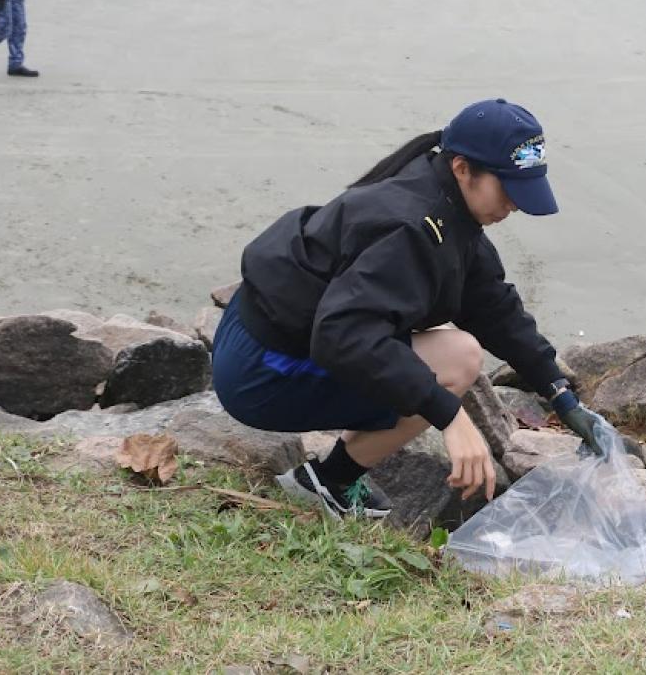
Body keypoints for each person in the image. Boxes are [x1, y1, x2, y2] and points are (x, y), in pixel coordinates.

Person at [211, 99, 616, 519]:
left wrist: (559, 393)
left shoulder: (446, 203)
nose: (514, 204)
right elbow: (342, 335)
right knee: (458, 361)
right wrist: (450, 417)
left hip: (260, 336)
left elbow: (493, 306)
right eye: (509, 189)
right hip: (261, 371)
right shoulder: (410, 227)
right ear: (463, 168)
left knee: (455, 353)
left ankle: (331, 476)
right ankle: (327, 483)